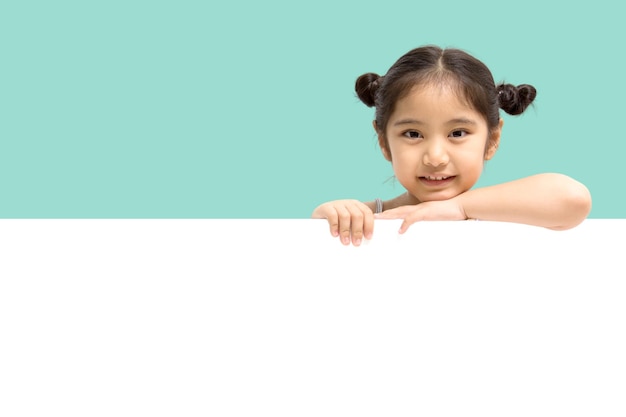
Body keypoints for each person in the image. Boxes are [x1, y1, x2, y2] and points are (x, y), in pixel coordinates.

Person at [312, 45, 592, 246]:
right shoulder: (371, 219)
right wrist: (330, 217)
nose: (435, 157)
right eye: (412, 134)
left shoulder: (501, 211)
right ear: (384, 141)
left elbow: (573, 198)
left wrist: (460, 208)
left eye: (457, 133)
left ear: (492, 139)